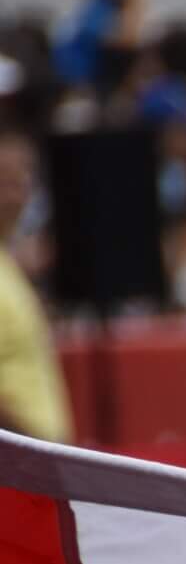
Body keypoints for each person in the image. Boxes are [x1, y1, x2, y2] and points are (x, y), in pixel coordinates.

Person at [0, 124, 69, 441]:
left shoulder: (9, 262)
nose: (19, 194)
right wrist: (30, 448)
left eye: (23, 180)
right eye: (8, 182)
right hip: (21, 466)